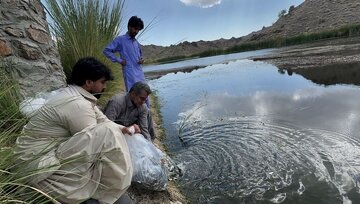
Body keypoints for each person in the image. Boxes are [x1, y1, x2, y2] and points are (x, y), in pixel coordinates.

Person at [14, 57, 136, 204]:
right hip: (37, 168)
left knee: (108, 130)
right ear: (89, 82)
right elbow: (96, 145)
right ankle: (107, 193)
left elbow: (102, 119)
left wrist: (125, 129)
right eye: (102, 82)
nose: (104, 87)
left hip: (40, 158)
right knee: (106, 135)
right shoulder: (76, 104)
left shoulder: (75, 95)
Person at [103, 16, 146, 93]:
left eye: (138, 30)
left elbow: (140, 55)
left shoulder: (136, 42)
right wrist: (119, 60)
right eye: (135, 29)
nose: (136, 32)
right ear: (129, 26)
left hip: (140, 73)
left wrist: (141, 60)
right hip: (130, 74)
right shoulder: (120, 40)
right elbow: (106, 51)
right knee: (133, 96)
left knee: (144, 94)